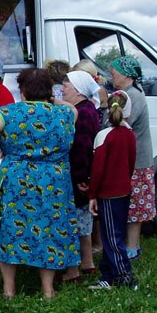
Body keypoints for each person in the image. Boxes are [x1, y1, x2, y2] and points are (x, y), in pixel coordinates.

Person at [0, 68, 80, 301]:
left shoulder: (8, 113)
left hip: (17, 179)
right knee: (51, 229)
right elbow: (73, 109)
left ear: (21, 90)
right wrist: (52, 99)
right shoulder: (63, 114)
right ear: (49, 91)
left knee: (11, 229)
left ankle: (9, 289)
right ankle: (47, 289)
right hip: (53, 181)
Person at [88, 90, 138, 290]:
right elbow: (131, 163)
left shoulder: (103, 136)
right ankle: (108, 276)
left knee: (111, 237)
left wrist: (92, 194)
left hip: (107, 193)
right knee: (117, 232)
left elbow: (97, 170)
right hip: (124, 190)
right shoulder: (130, 134)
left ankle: (124, 276)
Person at [109, 55, 155, 259]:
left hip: (137, 162)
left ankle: (132, 247)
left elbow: (120, 123)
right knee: (132, 204)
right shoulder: (128, 93)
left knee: (135, 206)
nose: (111, 76)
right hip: (131, 161)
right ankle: (130, 245)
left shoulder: (132, 97)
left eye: (114, 72)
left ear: (127, 75)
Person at [60, 71, 102, 282]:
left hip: (78, 175)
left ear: (77, 90)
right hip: (85, 174)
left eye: (65, 87)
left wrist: (80, 177)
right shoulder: (89, 109)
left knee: (72, 222)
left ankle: (72, 269)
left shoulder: (81, 114)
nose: (62, 90)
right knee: (83, 222)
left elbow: (82, 148)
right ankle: (87, 262)